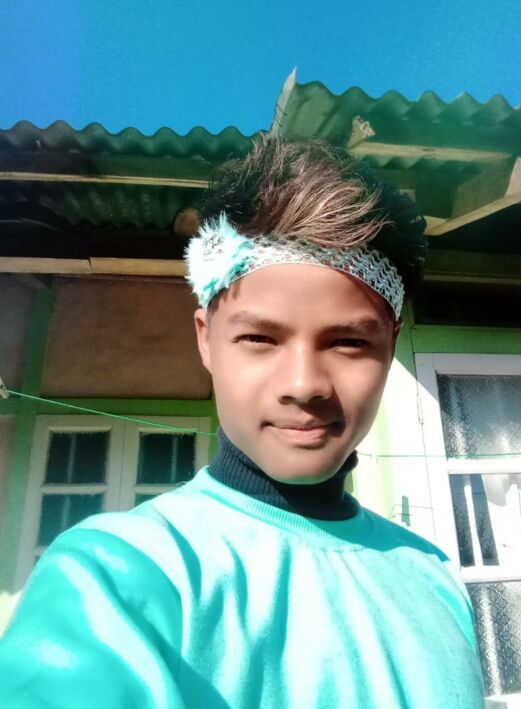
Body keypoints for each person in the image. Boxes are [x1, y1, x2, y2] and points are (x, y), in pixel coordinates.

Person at [0, 136, 485, 707]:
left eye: (349, 342)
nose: (304, 384)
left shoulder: (435, 578)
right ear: (206, 340)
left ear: (391, 346)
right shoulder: (115, 579)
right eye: (259, 338)